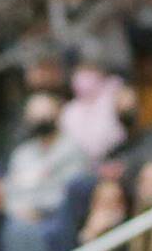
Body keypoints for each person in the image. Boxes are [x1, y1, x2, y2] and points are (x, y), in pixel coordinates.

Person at [5, 93, 92, 222]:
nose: (40, 121)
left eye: (45, 115)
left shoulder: (73, 150)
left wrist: (38, 210)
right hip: (19, 218)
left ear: (57, 114)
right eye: (35, 117)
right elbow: (10, 190)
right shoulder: (21, 154)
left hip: (55, 219)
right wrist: (18, 211)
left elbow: (69, 194)